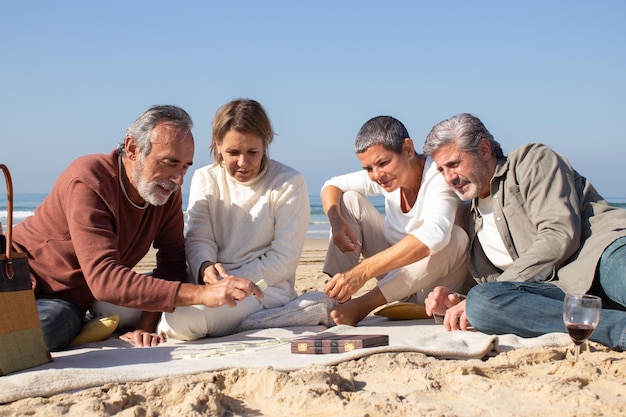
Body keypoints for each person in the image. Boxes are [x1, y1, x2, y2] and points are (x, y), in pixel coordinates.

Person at [11, 105, 262, 351]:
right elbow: (105, 279)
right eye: (169, 162)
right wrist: (204, 295)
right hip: (14, 276)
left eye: (185, 166)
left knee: (54, 326)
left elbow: (172, 263)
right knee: (33, 329)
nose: (178, 179)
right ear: (133, 148)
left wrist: (146, 325)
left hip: (63, 302)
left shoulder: (165, 193)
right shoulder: (90, 179)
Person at [422, 113, 626, 350]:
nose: (449, 178)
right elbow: (500, 290)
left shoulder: (531, 161)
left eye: (454, 164)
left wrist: (498, 287)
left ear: (484, 149)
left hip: (601, 257)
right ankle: (619, 331)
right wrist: (455, 302)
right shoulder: (468, 218)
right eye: (441, 170)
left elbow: (559, 235)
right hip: (560, 293)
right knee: (481, 303)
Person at [156, 98, 309, 340]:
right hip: (210, 283)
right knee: (107, 306)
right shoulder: (205, 177)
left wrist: (234, 283)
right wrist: (206, 268)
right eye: (233, 152)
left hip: (263, 289)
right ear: (217, 145)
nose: (243, 162)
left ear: (266, 143)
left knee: (181, 321)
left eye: (252, 152)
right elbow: (198, 238)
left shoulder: (289, 182)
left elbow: (284, 259)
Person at [321, 116, 470, 326]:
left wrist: (362, 272)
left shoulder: (438, 176)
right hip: (394, 282)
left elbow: (434, 235)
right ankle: (334, 296)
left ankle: (361, 306)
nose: (376, 175)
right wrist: (337, 222)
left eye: (383, 163)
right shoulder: (386, 178)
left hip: (433, 289)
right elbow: (331, 185)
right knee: (348, 200)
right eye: (368, 169)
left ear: (408, 149)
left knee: (455, 238)